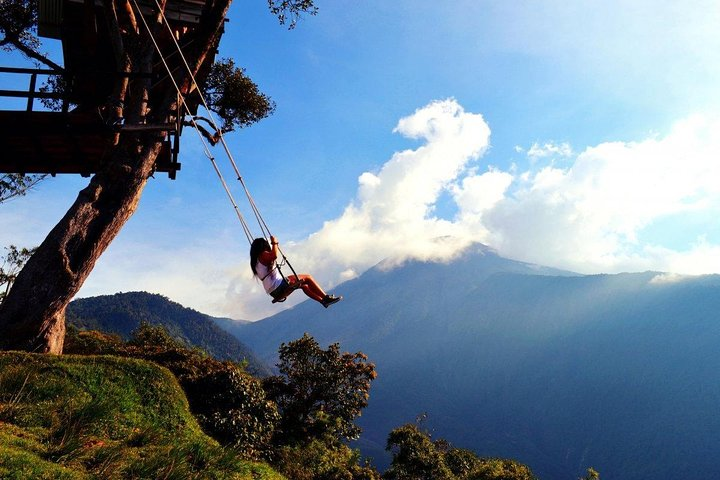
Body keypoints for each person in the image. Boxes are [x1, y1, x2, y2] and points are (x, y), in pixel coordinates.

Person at [250, 236, 342, 308]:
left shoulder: (255, 263)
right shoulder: (262, 255)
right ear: (263, 246)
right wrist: (274, 242)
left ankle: (323, 301)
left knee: (304, 286)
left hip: (273, 292)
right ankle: (326, 297)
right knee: (308, 277)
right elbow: (274, 255)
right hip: (279, 286)